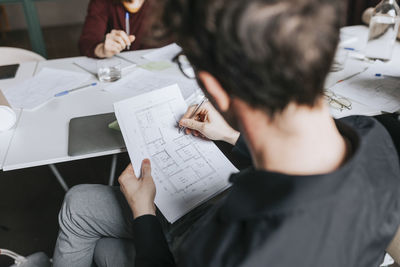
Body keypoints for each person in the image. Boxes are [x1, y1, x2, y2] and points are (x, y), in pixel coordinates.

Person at [53, 0, 400, 266]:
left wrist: (143, 211)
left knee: (83, 218)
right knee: (97, 241)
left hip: (190, 235)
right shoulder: (372, 133)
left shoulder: (226, 248)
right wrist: (232, 135)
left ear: (214, 90)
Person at [79, 0, 151, 58]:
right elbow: (86, 43)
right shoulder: (102, 2)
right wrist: (102, 49)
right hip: (117, 65)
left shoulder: (160, 3)